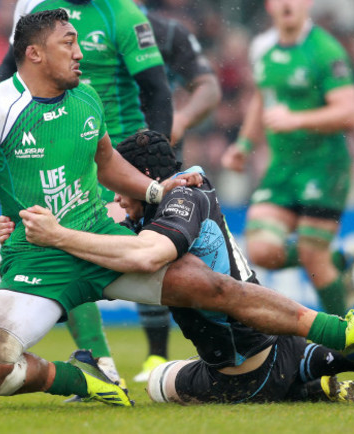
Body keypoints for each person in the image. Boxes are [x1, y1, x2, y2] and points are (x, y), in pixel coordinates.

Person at [0, 11, 354, 408]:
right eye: (68, 44)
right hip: (37, 259)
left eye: (78, 41)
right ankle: (85, 378)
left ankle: (336, 330)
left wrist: (155, 192)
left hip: (102, 238)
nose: (80, 52)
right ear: (33, 54)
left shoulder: (87, 97)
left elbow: (107, 164)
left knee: (214, 287)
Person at [10, 130, 354, 405]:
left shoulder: (182, 201)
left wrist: (58, 236)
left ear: (140, 176)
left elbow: (147, 254)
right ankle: (328, 364)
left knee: (159, 383)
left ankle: (316, 375)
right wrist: (26, 227)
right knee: (266, 351)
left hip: (240, 369)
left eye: (121, 185)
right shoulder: (188, 190)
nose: (118, 196)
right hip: (274, 340)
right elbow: (106, 217)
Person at [0, 0, 175, 386]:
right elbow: (19, 62)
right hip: (58, 142)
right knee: (60, 234)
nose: (77, 54)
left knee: (173, 265)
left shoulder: (122, 15)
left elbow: (157, 90)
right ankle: (103, 369)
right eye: (69, 46)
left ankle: (190, 351)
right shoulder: (35, 9)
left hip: (119, 150)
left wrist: (158, 163)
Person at [221, 0, 354, 317]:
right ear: (269, 5)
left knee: (313, 255)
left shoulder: (326, 50)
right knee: (261, 250)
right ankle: (338, 262)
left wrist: (296, 119)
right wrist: (244, 144)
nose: (288, 3)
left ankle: (341, 345)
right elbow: (262, 97)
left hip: (324, 166)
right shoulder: (261, 47)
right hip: (283, 167)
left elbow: (350, 112)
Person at [131, 2, 222, 382]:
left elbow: (208, 86)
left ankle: (199, 347)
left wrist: (180, 119)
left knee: (155, 245)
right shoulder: (78, 32)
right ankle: (137, 354)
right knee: (130, 243)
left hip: (156, 158)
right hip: (100, 152)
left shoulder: (166, 33)